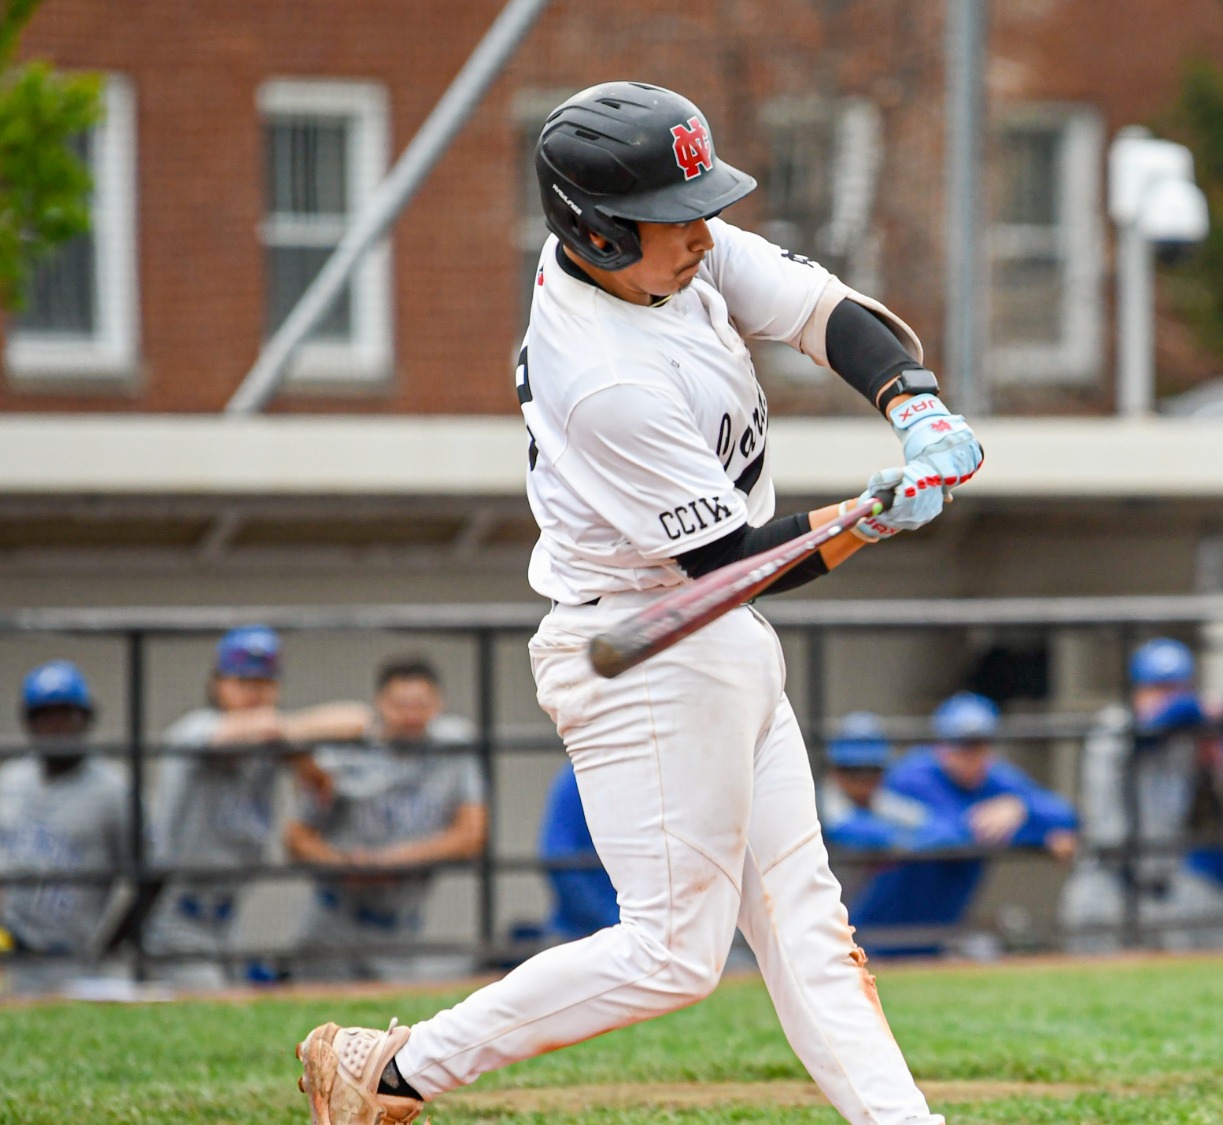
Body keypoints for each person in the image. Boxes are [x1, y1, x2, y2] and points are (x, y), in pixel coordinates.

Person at [297, 83, 979, 1125]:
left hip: (715, 631)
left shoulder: (668, 256)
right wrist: (868, 519)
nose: (705, 230)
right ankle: (391, 1071)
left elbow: (818, 312)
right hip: (649, 646)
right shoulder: (603, 377)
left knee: (807, 931)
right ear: (597, 232)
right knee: (672, 956)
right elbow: (736, 563)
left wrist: (914, 404)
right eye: (675, 214)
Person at [147, 626, 369, 989]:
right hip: (176, 912)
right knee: (212, 1018)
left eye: (264, 682)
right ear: (218, 684)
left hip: (227, 918)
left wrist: (303, 762)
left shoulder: (274, 742)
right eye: (243, 681)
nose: (255, 692)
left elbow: (358, 718)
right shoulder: (196, 728)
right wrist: (288, 739)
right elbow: (253, 729)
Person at [283, 657, 489, 982]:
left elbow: (471, 835)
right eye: (399, 705)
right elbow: (297, 838)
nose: (410, 716)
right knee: (320, 1024)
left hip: (401, 928)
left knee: (391, 1027)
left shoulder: (453, 748)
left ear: (438, 704)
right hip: (335, 919)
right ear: (379, 704)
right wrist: (344, 865)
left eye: (421, 705)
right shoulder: (348, 747)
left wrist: (391, 861)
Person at [851, 693, 1076, 955]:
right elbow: (954, 833)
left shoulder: (993, 779)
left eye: (978, 745)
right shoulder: (911, 776)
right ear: (941, 744)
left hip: (938, 926)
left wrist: (1021, 808)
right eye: (960, 745)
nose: (969, 756)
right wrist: (1035, 831)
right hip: (880, 925)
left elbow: (1064, 815)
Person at [1060, 638, 1219, 952]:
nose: (1166, 698)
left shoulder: (1185, 739)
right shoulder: (1116, 725)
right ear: (1137, 690)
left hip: (1162, 891)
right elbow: (1162, 724)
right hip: (1106, 885)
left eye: (1176, 688)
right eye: (1157, 688)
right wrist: (1205, 709)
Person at [0, 661, 129, 996]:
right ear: (29, 722)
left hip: (72, 956)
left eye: (66, 715)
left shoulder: (113, 789)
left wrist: (110, 945)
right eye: (45, 716)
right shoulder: (9, 780)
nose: (56, 726)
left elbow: (151, 875)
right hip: (10, 951)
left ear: (86, 718)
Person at [817, 712, 966, 853]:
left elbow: (936, 827)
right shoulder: (821, 799)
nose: (862, 780)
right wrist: (904, 840)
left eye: (871, 770)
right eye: (853, 771)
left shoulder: (880, 799)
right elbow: (843, 828)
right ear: (834, 770)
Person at [536, 760, 617, 942]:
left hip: (648, 936)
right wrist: (614, 921)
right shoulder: (582, 775)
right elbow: (557, 858)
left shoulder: (655, 776)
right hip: (577, 934)